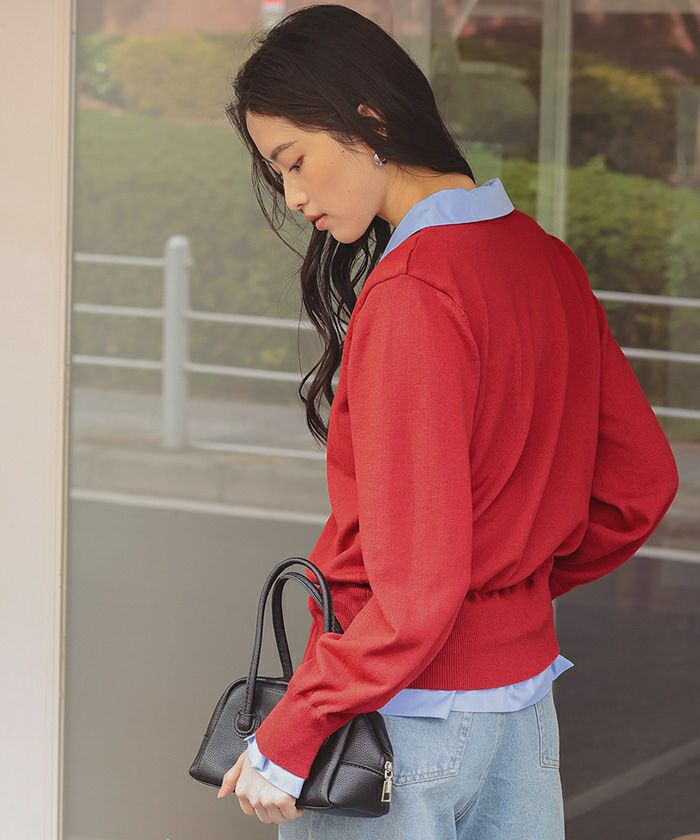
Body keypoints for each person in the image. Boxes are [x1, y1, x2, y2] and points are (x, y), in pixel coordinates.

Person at [214, 5, 680, 838]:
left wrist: (295, 727)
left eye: (295, 160)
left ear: (368, 117)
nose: (293, 196)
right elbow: (641, 486)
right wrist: (507, 592)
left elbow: (417, 586)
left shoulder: (414, 294)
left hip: (400, 724)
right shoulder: (545, 261)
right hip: (521, 716)